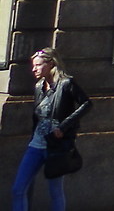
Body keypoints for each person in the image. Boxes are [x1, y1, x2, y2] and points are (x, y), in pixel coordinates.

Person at [12, 50, 86, 211]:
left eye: (38, 65)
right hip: (36, 144)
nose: (34, 69)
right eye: (34, 66)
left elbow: (86, 104)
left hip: (56, 146)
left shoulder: (66, 83)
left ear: (51, 63)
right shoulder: (39, 86)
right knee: (18, 189)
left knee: (55, 191)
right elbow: (37, 116)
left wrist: (64, 127)